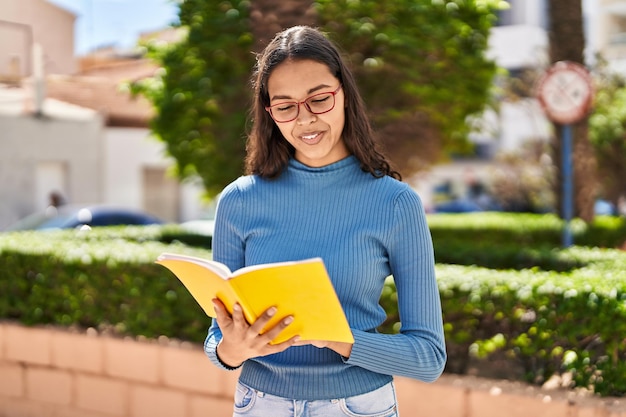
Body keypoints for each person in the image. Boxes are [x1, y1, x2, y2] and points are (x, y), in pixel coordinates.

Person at [204, 25, 446, 416]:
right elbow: (219, 344)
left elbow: (428, 357)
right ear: (270, 114)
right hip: (258, 405)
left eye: (319, 99)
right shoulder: (238, 201)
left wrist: (337, 337)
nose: (305, 120)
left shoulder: (396, 204)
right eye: (285, 106)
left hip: (358, 407)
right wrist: (235, 348)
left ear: (344, 95)